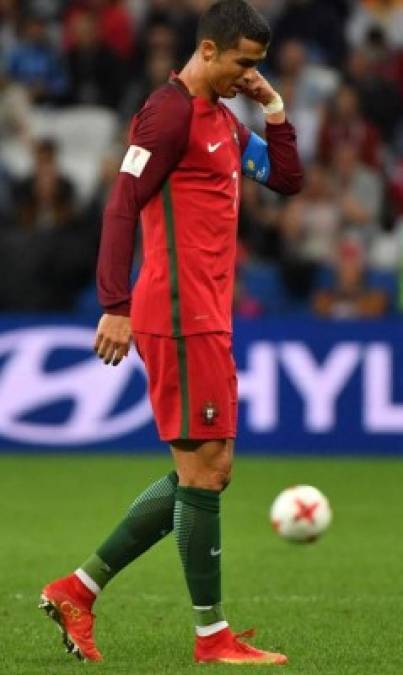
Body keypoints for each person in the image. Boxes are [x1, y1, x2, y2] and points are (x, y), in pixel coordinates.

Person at [39, 0, 303, 666]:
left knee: (207, 470)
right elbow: (122, 202)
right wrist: (114, 302)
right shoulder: (169, 113)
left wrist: (272, 108)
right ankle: (211, 637)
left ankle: (78, 587)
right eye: (243, 62)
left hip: (208, 315)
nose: (249, 73)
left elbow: (287, 180)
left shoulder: (223, 121)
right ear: (208, 51)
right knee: (203, 471)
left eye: (258, 66)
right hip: (177, 313)